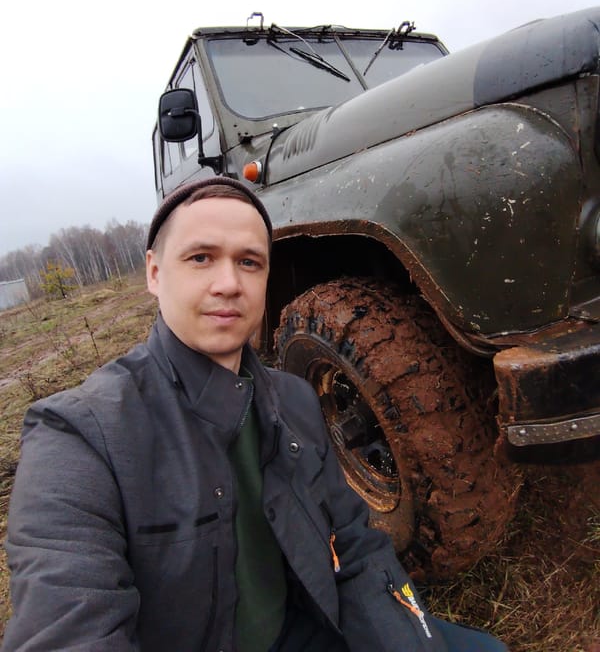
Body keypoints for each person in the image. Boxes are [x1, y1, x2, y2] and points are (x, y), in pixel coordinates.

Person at [3, 177, 508, 652]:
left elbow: (356, 545)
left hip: (311, 623)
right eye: (201, 258)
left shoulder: (295, 400)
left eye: (250, 262)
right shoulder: (78, 437)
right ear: (155, 274)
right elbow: (66, 625)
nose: (229, 283)